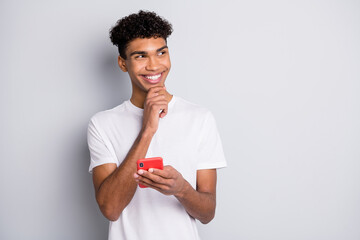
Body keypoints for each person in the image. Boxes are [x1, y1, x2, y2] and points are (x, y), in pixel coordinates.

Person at [87, 10, 227, 240]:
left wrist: (181, 189)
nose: (154, 66)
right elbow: (110, 209)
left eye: (161, 53)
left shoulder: (200, 118)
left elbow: (207, 212)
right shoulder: (102, 124)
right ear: (123, 63)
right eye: (141, 56)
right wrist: (147, 130)